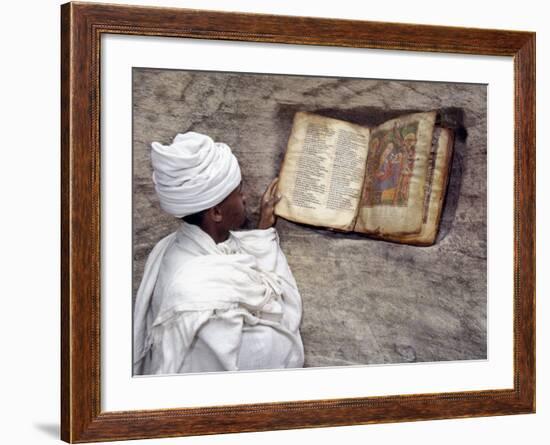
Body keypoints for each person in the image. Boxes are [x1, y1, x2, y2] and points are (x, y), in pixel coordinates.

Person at [133, 132, 304, 375]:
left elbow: (229, 251)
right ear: (216, 213)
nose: (245, 198)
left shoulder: (175, 244)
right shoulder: (202, 303)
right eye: (238, 192)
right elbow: (270, 354)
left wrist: (263, 226)